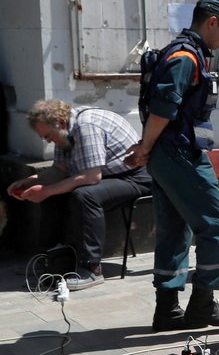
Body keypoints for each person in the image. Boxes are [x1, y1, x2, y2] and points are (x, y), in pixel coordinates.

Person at [125, 0, 219, 332]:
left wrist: (148, 146)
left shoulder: (185, 54)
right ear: (213, 21)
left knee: (175, 227)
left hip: (168, 151)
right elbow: (163, 108)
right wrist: (145, 147)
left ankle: (167, 311)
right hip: (178, 153)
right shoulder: (185, 57)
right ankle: (201, 305)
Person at [7, 100, 153, 290]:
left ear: (59, 122)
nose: (48, 141)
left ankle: (91, 268)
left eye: (48, 135)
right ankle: (53, 258)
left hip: (134, 177)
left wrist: (46, 190)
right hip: (106, 176)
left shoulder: (86, 126)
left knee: (85, 195)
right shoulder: (65, 132)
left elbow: (91, 177)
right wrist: (32, 181)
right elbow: (59, 170)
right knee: (55, 194)